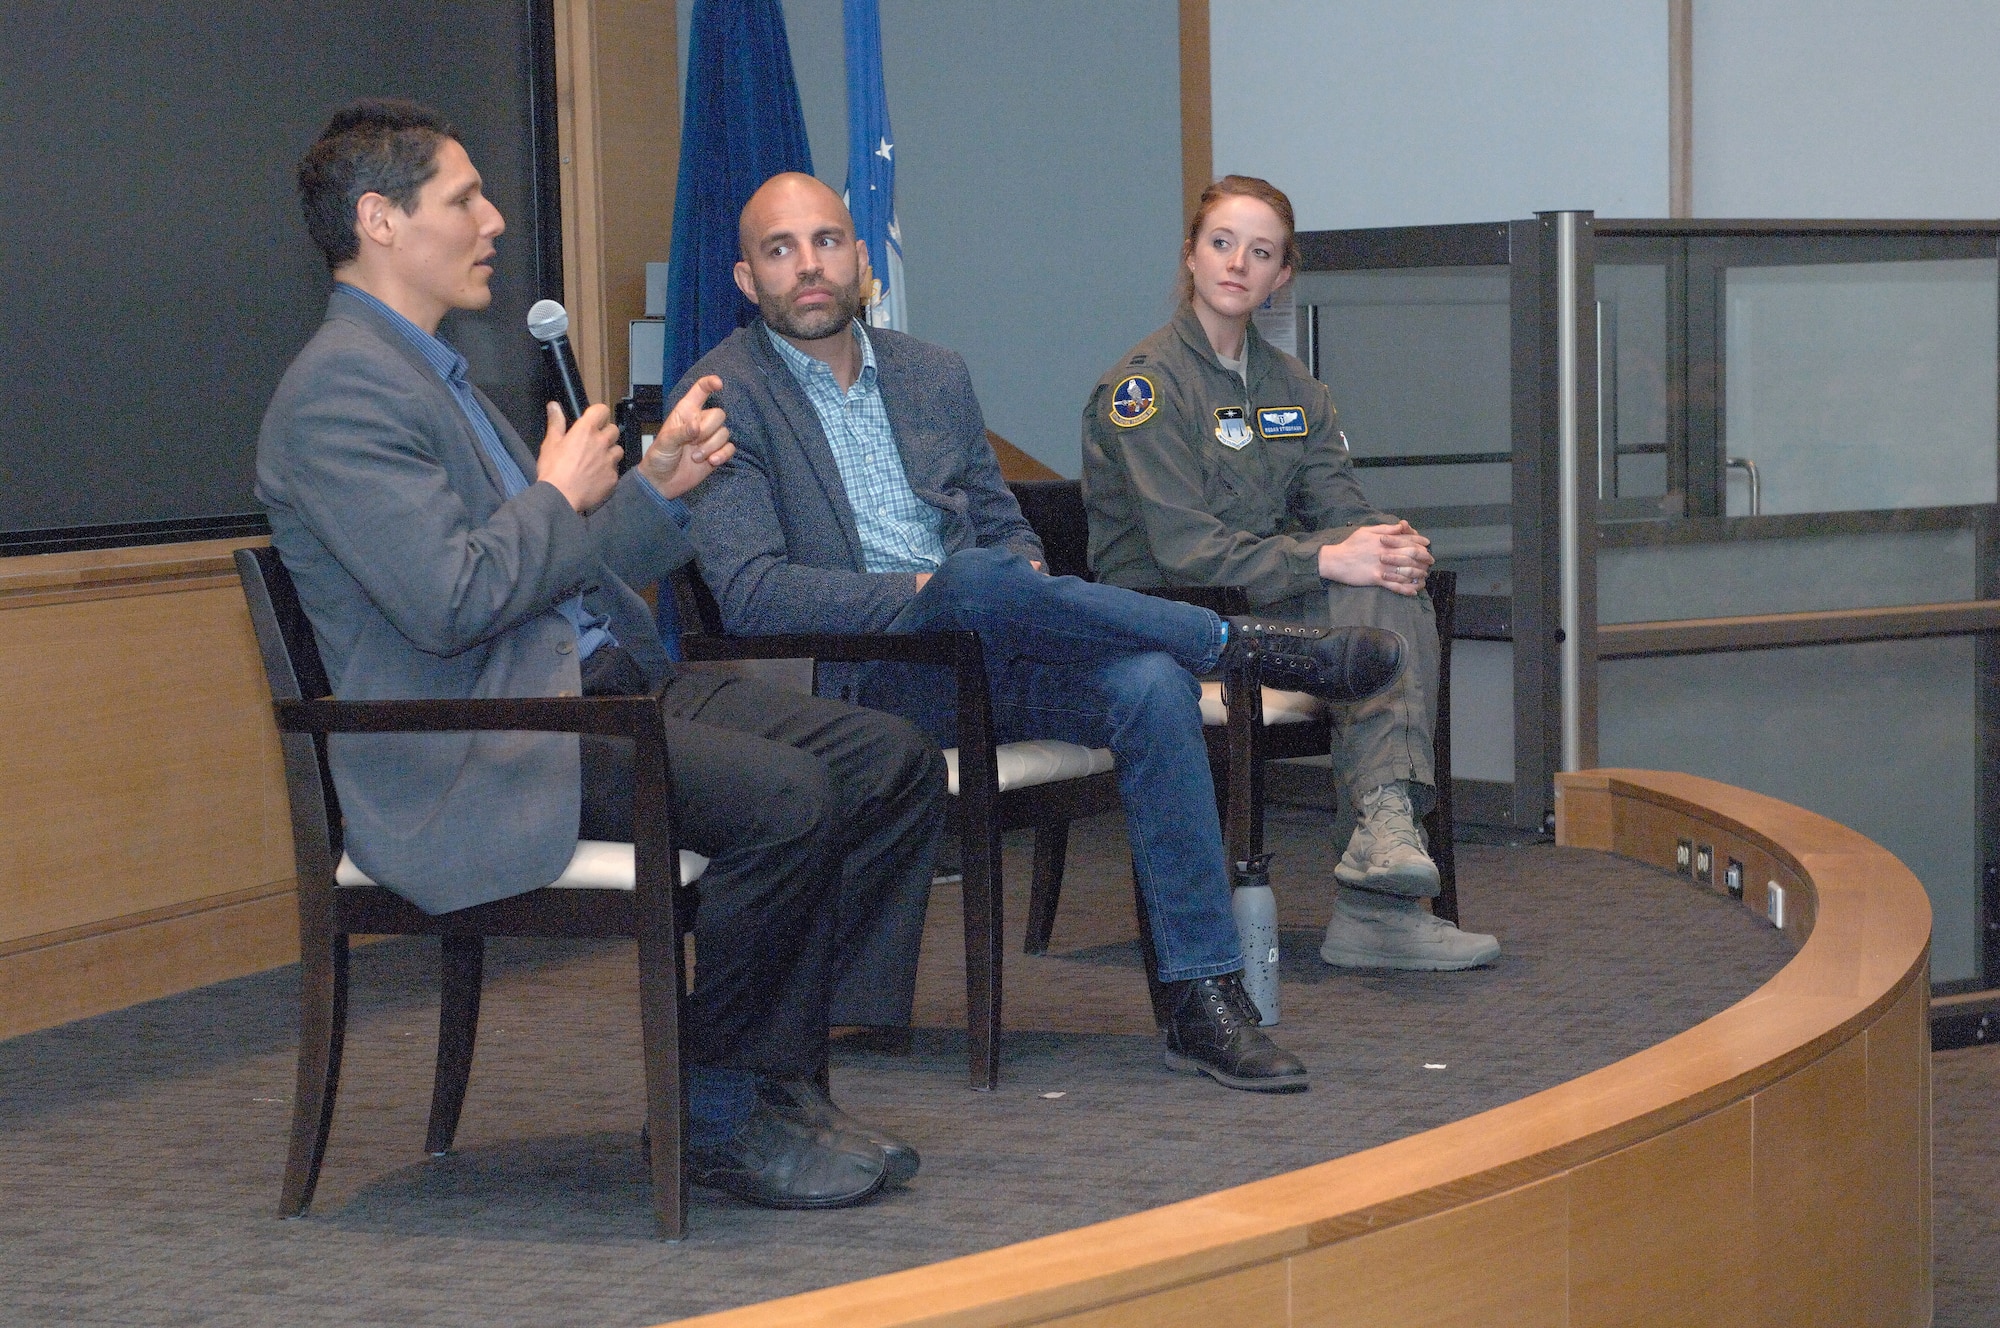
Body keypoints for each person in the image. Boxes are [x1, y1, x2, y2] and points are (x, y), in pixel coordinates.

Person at [256, 100, 948, 1211]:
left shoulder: (429, 373)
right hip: (482, 738)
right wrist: (552, 493)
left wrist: (647, 493)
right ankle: (719, 1115)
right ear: (380, 220)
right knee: (788, 800)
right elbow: (451, 600)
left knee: (891, 757)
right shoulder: (340, 391)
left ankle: (773, 1075)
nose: (491, 219)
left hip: (582, 689)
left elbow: (547, 561)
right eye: (463, 197)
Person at [677, 172, 1409, 1095]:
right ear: (748, 279)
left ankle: (1201, 999)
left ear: (861, 259)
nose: (809, 267)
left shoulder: (930, 372)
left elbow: (1004, 522)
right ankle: (1232, 644)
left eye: (826, 242)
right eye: (780, 250)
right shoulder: (719, 396)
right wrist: (932, 588)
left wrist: (1008, 576)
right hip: (865, 679)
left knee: (1146, 683)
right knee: (978, 579)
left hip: (994, 647)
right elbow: (751, 596)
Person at [1081, 174, 1500, 973]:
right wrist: (1331, 555)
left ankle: (1382, 847)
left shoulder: (1296, 390)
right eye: (1222, 243)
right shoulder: (1142, 388)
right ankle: (1378, 884)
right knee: (1363, 575)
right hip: (1173, 622)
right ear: (1192, 258)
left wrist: (1385, 543)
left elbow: (1341, 510)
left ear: (1281, 277)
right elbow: (1185, 554)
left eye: (1261, 252)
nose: (1238, 263)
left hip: (1266, 608)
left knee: (1384, 574)